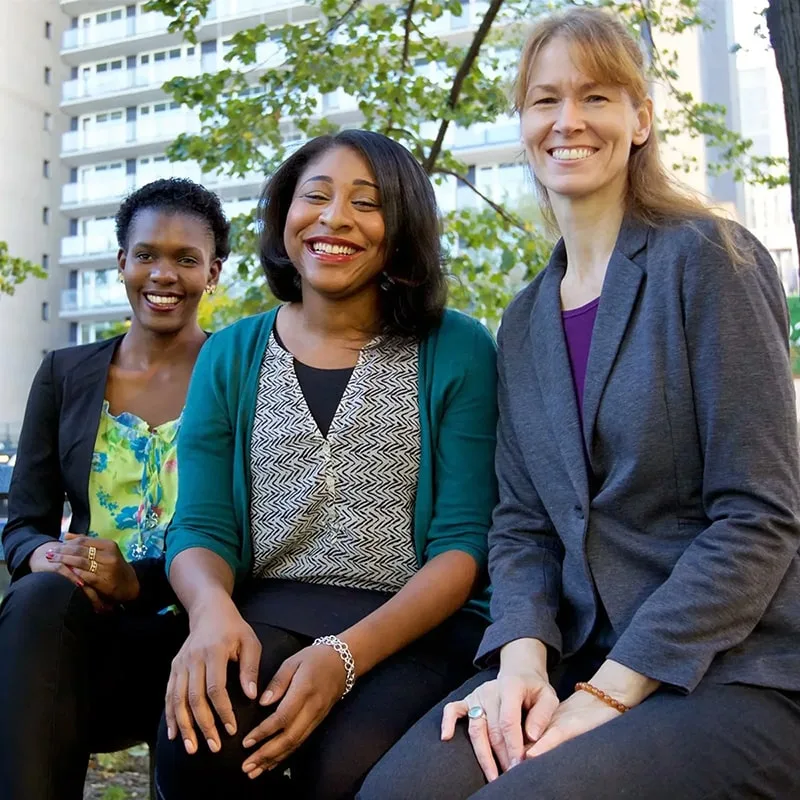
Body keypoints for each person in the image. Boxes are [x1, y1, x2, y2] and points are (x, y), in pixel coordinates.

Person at [358, 8, 800, 799]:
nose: (569, 120)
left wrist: (612, 691)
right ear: (524, 123)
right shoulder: (524, 321)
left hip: (732, 668)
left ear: (641, 120)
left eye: (597, 97)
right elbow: (521, 523)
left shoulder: (711, 261)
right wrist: (522, 656)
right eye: (545, 100)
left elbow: (759, 515)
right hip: (577, 655)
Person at [153, 129, 498, 800]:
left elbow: (462, 546)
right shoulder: (230, 354)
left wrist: (343, 658)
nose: (334, 217)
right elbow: (199, 523)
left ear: (399, 231)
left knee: (341, 771)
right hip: (269, 606)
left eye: (365, 203)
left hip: (417, 625)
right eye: (315, 196)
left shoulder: (457, 347)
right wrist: (210, 611)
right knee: (201, 748)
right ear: (286, 215)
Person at [0, 177, 229, 800]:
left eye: (187, 259)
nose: (164, 274)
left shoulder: (241, 375)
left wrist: (141, 580)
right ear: (120, 261)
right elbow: (24, 522)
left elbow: (261, 528)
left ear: (213, 273)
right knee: (37, 599)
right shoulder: (64, 374)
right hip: (87, 636)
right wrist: (41, 554)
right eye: (147, 254)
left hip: (202, 635)